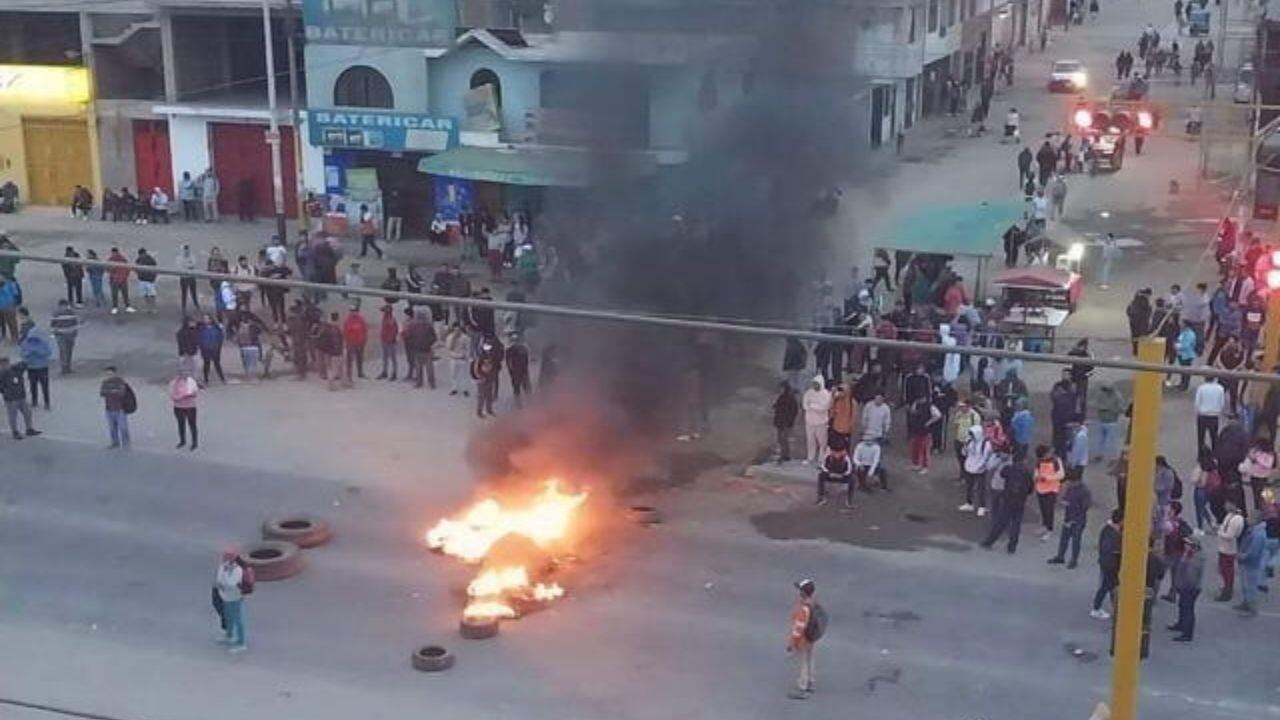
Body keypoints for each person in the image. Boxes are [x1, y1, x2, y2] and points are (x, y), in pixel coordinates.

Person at [982, 455, 1033, 553]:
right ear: (1024, 460)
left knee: (1001, 522)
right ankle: (1012, 546)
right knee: (1016, 524)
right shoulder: (1027, 472)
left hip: (1008, 499)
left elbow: (1002, 473)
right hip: (1020, 501)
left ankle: (989, 541)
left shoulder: (1009, 469)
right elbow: (1030, 488)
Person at [786, 579, 819, 699]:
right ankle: (810, 682)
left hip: (802, 640)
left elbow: (798, 628)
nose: (799, 592)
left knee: (802, 663)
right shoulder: (813, 603)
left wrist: (792, 643)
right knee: (810, 660)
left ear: (803, 593)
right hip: (811, 638)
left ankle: (802, 688)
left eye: (800, 590)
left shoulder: (803, 608)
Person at [1167, 535, 1205, 641]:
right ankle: (1181, 624)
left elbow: (1191, 577)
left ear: (1194, 547)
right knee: (1182, 606)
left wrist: (1183, 586)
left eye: (1188, 544)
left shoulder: (1196, 559)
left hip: (1190, 589)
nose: (1185, 545)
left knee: (1188, 609)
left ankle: (1187, 633)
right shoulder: (1189, 555)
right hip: (1184, 587)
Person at [1091, 510, 1124, 618]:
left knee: (1110, 586)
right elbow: (1111, 548)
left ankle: (1115, 608)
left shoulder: (1108, 530)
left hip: (1108, 563)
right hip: (1110, 564)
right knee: (1109, 586)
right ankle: (1098, 608)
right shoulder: (1112, 533)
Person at [214, 550, 247, 652]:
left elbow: (231, 583)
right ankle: (229, 635)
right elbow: (218, 579)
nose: (223, 559)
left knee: (238, 620)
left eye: (225, 558)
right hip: (225, 596)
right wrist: (222, 580)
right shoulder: (223, 566)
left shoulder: (238, 570)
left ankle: (242, 643)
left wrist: (223, 581)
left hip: (235, 597)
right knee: (228, 617)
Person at [1236, 515, 1268, 616]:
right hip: (1248, 563)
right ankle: (1246, 603)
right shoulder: (1253, 530)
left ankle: (1252, 610)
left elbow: (1253, 552)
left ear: (1256, 520)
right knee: (1246, 586)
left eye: (1250, 518)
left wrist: (1241, 556)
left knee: (1251, 587)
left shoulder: (1258, 534)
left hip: (1252, 564)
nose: (1247, 519)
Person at [0, 356, 39, 440]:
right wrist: (6, 391)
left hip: (21, 397)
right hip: (10, 399)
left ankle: (29, 429)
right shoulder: (1, 374)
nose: (5, 365)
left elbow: (25, 364)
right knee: (13, 416)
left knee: (28, 413)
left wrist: (18, 364)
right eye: (3, 364)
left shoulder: (15, 369)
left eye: (6, 363)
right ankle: (15, 432)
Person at [959, 424, 992, 514]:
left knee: (981, 488)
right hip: (969, 467)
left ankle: (982, 506)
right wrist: (965, 446)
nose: (971, 436)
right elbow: (964, 453)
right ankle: (969, 503)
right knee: (969, 487)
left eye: (972, 434)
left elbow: (986, 457)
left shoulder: (986, 444)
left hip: (980, 469)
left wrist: (980, 466)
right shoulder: (970, 441)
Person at [1215, 501, 1245, 601]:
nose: (1225, 506)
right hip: (1223, 547)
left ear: (1233, 505)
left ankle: (1228, 591)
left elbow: (1230, 535)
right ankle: (1227, 587)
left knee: (1227, 571)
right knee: (1223, 569)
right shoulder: (1230, 515)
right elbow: (1225, 527)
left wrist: (1219, 532)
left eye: (1227, 504)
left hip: (1229, 549)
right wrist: (1220, 527)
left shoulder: (1237, 519)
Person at [1034, 445, 1065, 540]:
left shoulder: (1056, 461)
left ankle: (1049, 529)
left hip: (1052, 489)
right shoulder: (1039, 461)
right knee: (1043, 509)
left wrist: (1047, 478)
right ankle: (1044, 525)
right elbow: (1036, 471)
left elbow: (1061, 475)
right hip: (1040, 489)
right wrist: (1036, 477)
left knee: (1049, 510)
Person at [402, 308, 438, 390]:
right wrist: (428, 343)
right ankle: (431, 383)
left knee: (419, 368)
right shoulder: (428, 326)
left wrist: (413, 344)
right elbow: (434, 337)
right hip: (426, 349)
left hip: (417, 350)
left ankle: (419, 383)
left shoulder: (412, 326)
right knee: (429, 368)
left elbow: (408, 337)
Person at [19, 321, 52, 410]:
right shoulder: (25, 343)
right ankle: (34, 401)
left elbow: (48, 353)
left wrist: (38, 353)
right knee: (33, 386)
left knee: (45, 386)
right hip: (31, 368)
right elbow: (22, 354)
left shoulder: (43, 343)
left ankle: (47, 402)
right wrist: (28, 354)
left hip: (42, 367)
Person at [906, 395, 942, 473]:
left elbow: (938, 415)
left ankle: (925, 466)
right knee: (915, 447)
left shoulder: (930, 406)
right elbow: (913, 412)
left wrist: (929, 422)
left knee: (925, 449)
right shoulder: (916, 404)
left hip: (926, 431)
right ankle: (916, 464)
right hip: (916, 430)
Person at [802, 376, 832, 464]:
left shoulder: (826, 394)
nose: (815, 386)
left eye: (817, 384)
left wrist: (812, 405)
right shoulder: (809, 393)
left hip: (821, 423)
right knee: (810, 441)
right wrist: (815, 406)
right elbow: (805, 405)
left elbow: (824, 407)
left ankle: (822, 459)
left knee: (822, 442)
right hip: (809, 422)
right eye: (814, 384)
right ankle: (810, 457)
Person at [99, 366, 132, 449]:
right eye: (107, 374)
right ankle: (115, 443)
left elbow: (122, 393)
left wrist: (111, 391)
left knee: (123, 427)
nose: (108, 375)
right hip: (109, 409)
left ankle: (126, 443)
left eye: (110, 374)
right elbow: (102, 393)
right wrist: (113, 391)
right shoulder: (105, 383)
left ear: (115, 373)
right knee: (112, 428)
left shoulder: (120, 381)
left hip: (120, 408)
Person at [170, 365, 199, 450]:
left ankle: (194, 442)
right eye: (182, 372)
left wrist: (186, 395)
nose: (184, 374)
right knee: (181, 424)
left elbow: (195, 393)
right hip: (179, 407)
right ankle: (182, 441)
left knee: (192, 425)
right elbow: (172, 396)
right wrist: (183, 396)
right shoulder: (174, 383)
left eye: (186, 372)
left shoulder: (191, 381)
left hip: (190, 407)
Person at [50, 300, 79, 375]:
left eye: (65, 306)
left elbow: (75, 323)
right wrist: (55, 333)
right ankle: (64, 367)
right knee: (63, 351)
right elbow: (53, 325)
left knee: (68, 351)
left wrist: (75, 333)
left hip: (69, 335)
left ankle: (67, 367)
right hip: (61, 335)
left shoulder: (71, 313)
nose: (63, 308)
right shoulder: (56, 314)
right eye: (62, 306)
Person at [106, 247, 135, 315]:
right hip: (114, 280)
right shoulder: (111, 260)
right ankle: (115, 307)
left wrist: (125, 276)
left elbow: (127, 268)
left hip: (122, 279)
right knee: (114, 295)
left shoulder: (122, 259)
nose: (114, 254)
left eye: (115, 253)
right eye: (113, 253)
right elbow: (107, 269)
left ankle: (127, 306)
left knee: (125, 294)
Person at [342, 307, 368, 381]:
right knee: (349, 359)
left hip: (360, 343)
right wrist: (347, 341)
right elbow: (345, 332)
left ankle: (360, 373)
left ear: (357, 312)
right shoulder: (347, 320)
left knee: (360, 358)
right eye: (352, 311)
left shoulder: (361, 319)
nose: (354, 312)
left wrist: (364, 340)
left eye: (355, 311)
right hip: (351, 343)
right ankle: (349, 374)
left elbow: (365, 330)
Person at [506, 333, 531, 408]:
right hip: (515, 371)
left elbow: (526, 360)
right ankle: (518, 403)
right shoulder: (509, 350)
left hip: (523, 370)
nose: (515, 342)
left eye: (516, 340)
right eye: (514, 340)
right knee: (517, 388)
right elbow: (508, 362)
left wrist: (526, 370)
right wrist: (510, 371)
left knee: (526, 387)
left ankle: (530, 401)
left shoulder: (523, 349)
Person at [445, 322, 469, 396]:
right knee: (453, 374)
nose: (457, 331)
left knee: (464, 375)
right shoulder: (449, 337)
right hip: (453, 358)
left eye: (458, 329)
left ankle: (465, 389)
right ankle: (454, 388)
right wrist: (453, 339)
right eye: (455, 329)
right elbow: (448, 348)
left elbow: (468, 348)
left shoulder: (465, 337)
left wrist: (466, 356)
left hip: (462, 358)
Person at [377, 304, 399, 381]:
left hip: (391, 341)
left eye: (385, 310)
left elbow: (394, 330)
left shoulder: (391, 319)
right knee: (385, 358)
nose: (384, 312)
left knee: (393, 358)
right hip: (384, 340)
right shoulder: (384, 318)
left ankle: (394, 373)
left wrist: (391, 339)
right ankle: (385, 372)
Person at [135, 248, 159, 313]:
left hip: (149, 280)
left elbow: (155, 270)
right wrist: (139, 276)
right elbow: (136, 269)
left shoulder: (151, 260)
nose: (141, 256)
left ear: (145, 253)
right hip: (142, 280)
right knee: (145, 295)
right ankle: (148, 307)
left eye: (142, 254)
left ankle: (153, 308)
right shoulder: (138, 260)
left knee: (152, 295)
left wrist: (153, 278)